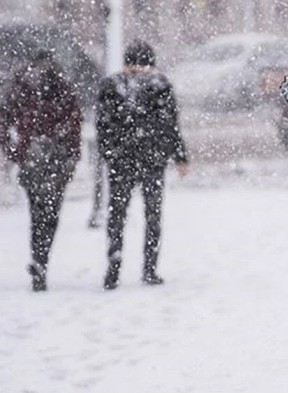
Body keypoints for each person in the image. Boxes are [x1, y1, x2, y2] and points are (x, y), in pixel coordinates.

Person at [96, 40, 189, 291]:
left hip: (121, 161)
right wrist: (179, 156)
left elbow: (102, 125)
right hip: (152, 160)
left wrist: (109, 153)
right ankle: (149, 268)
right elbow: (170, 125)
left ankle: (114, 265)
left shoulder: (111, 85)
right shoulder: (160, 85)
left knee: (117, 214)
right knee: (153, 215)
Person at [0, 50, 81, 291]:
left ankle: (38, 259)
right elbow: (74, 123)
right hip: (56, 156)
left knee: (37, 211)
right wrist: (72, 155)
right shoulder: (62, 86)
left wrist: (14, 151)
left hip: (31, 156)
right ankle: (41, 258)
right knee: (51, 213)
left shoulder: (20, 87)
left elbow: (3, 121)